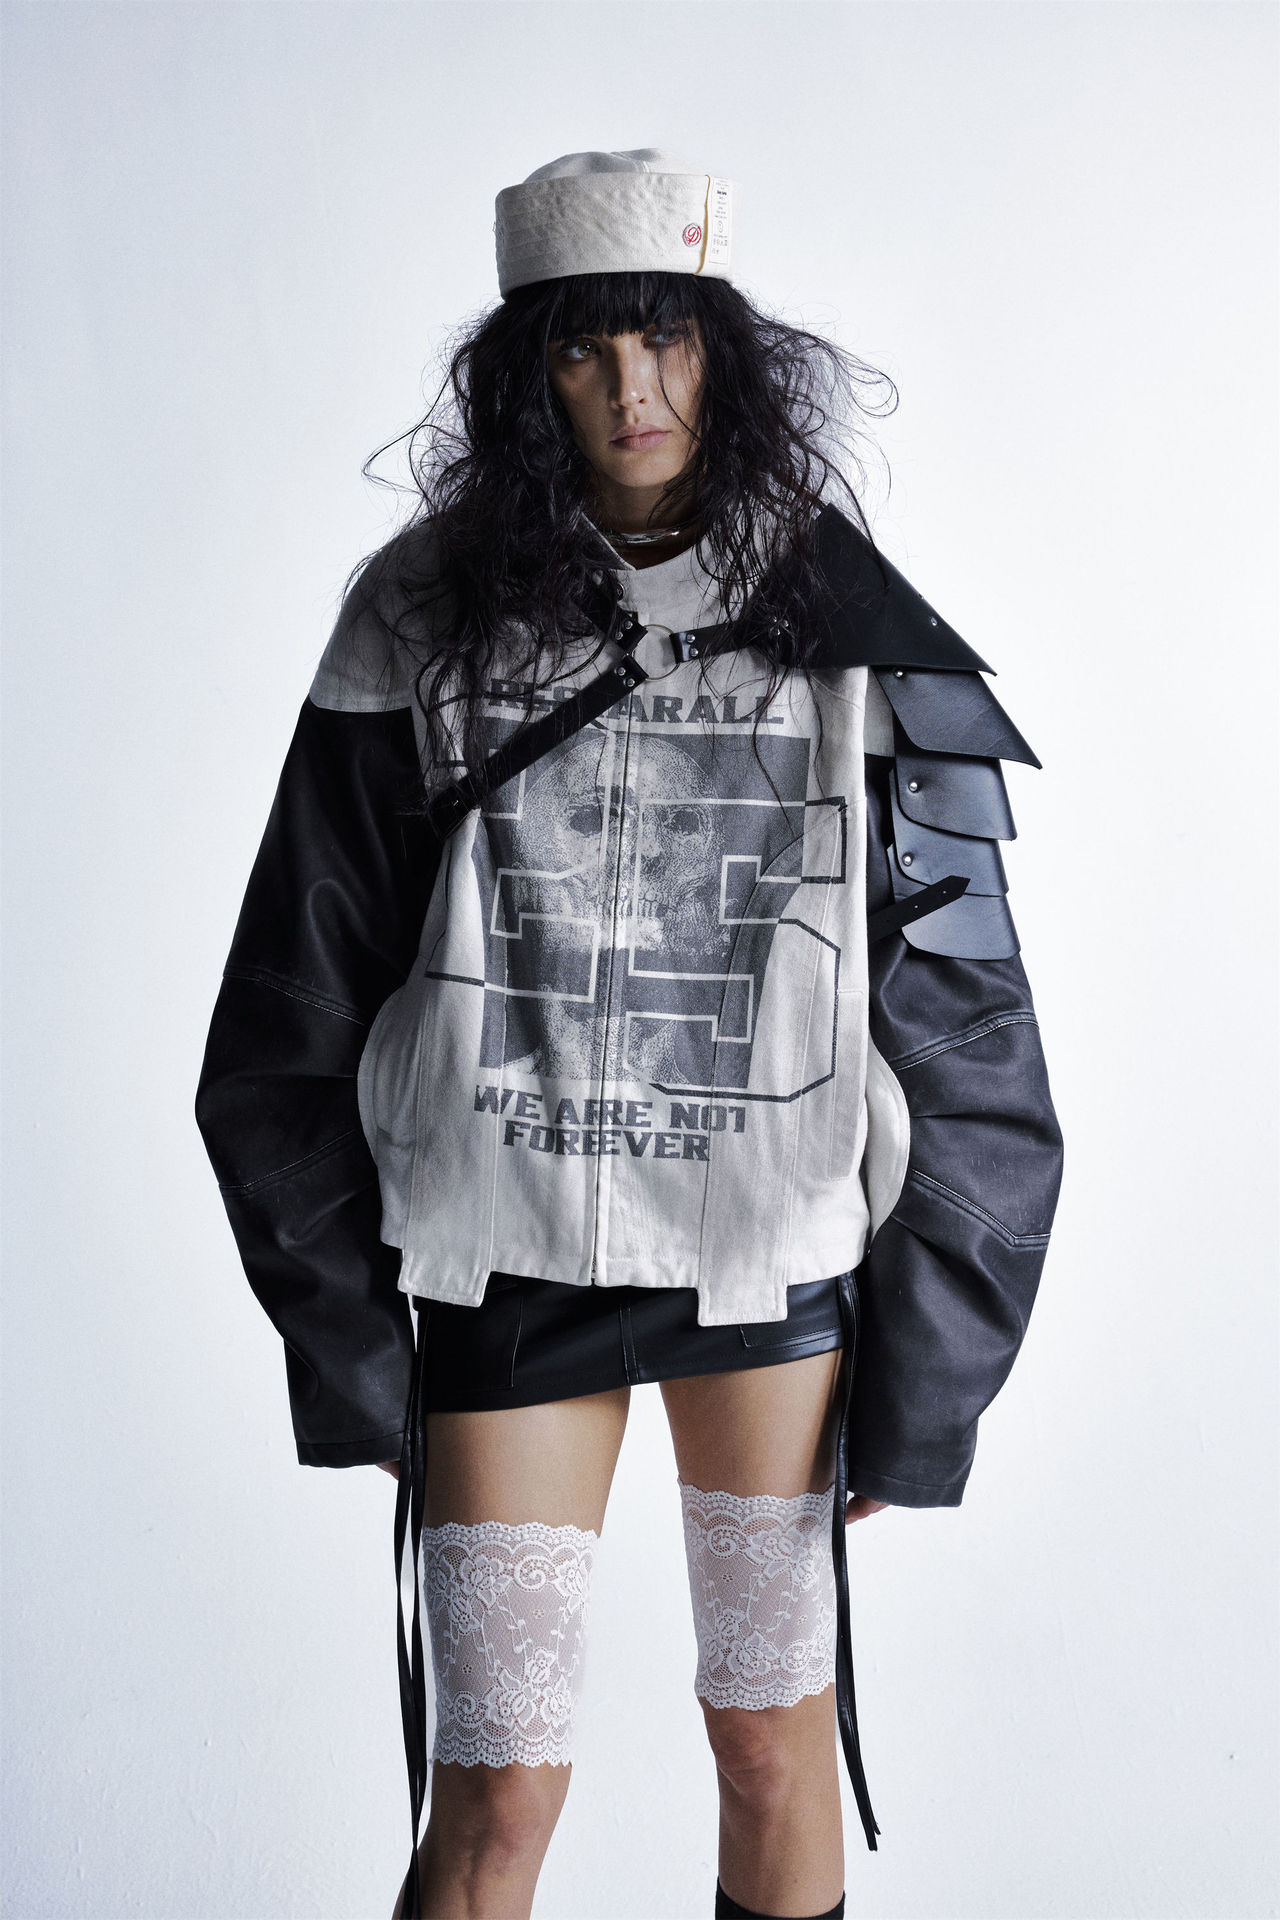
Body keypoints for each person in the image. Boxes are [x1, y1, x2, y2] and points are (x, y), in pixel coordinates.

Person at [195, 150, 1064, 1920]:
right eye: (583, 349)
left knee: (770, 1744)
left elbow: (963, 1013)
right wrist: (351, 1337)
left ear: (727, 354)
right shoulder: (417, 611)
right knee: (502, 1789)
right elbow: (294, 990)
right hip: (499, 1253)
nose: (631, 387)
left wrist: (932, 1374)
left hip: (765, 1260)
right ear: (527, 379)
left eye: (666, 338)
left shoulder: (846, 619)